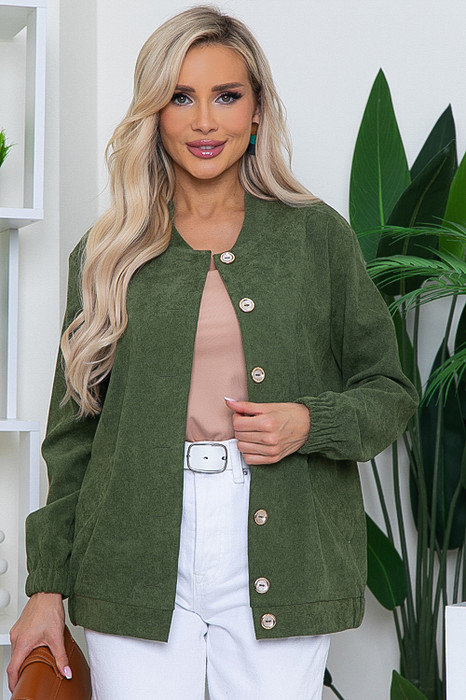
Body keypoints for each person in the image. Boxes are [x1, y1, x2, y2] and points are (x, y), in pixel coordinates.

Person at [7, 6, 418, 699]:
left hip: (283, 542)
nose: (204, 122)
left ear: (257, 110)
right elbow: (73, 437)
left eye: (226, 96)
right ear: (154, 113)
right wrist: (46, 587)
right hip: (131, 548)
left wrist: (308, 422)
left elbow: (389, 390)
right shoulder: (108, 252)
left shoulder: (317, 237)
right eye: (180, 97)